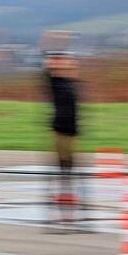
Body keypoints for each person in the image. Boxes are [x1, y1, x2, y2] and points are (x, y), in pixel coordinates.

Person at [44, 51, 81, 221]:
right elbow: (47, 73)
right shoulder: (55, 83)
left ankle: (65, 192)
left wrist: (71, 65)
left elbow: (74, 75)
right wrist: (53, 62)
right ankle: (62, 193)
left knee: (69, 164)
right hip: (61, 128)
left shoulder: (69, 84)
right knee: (63, 163)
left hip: (72, 128)